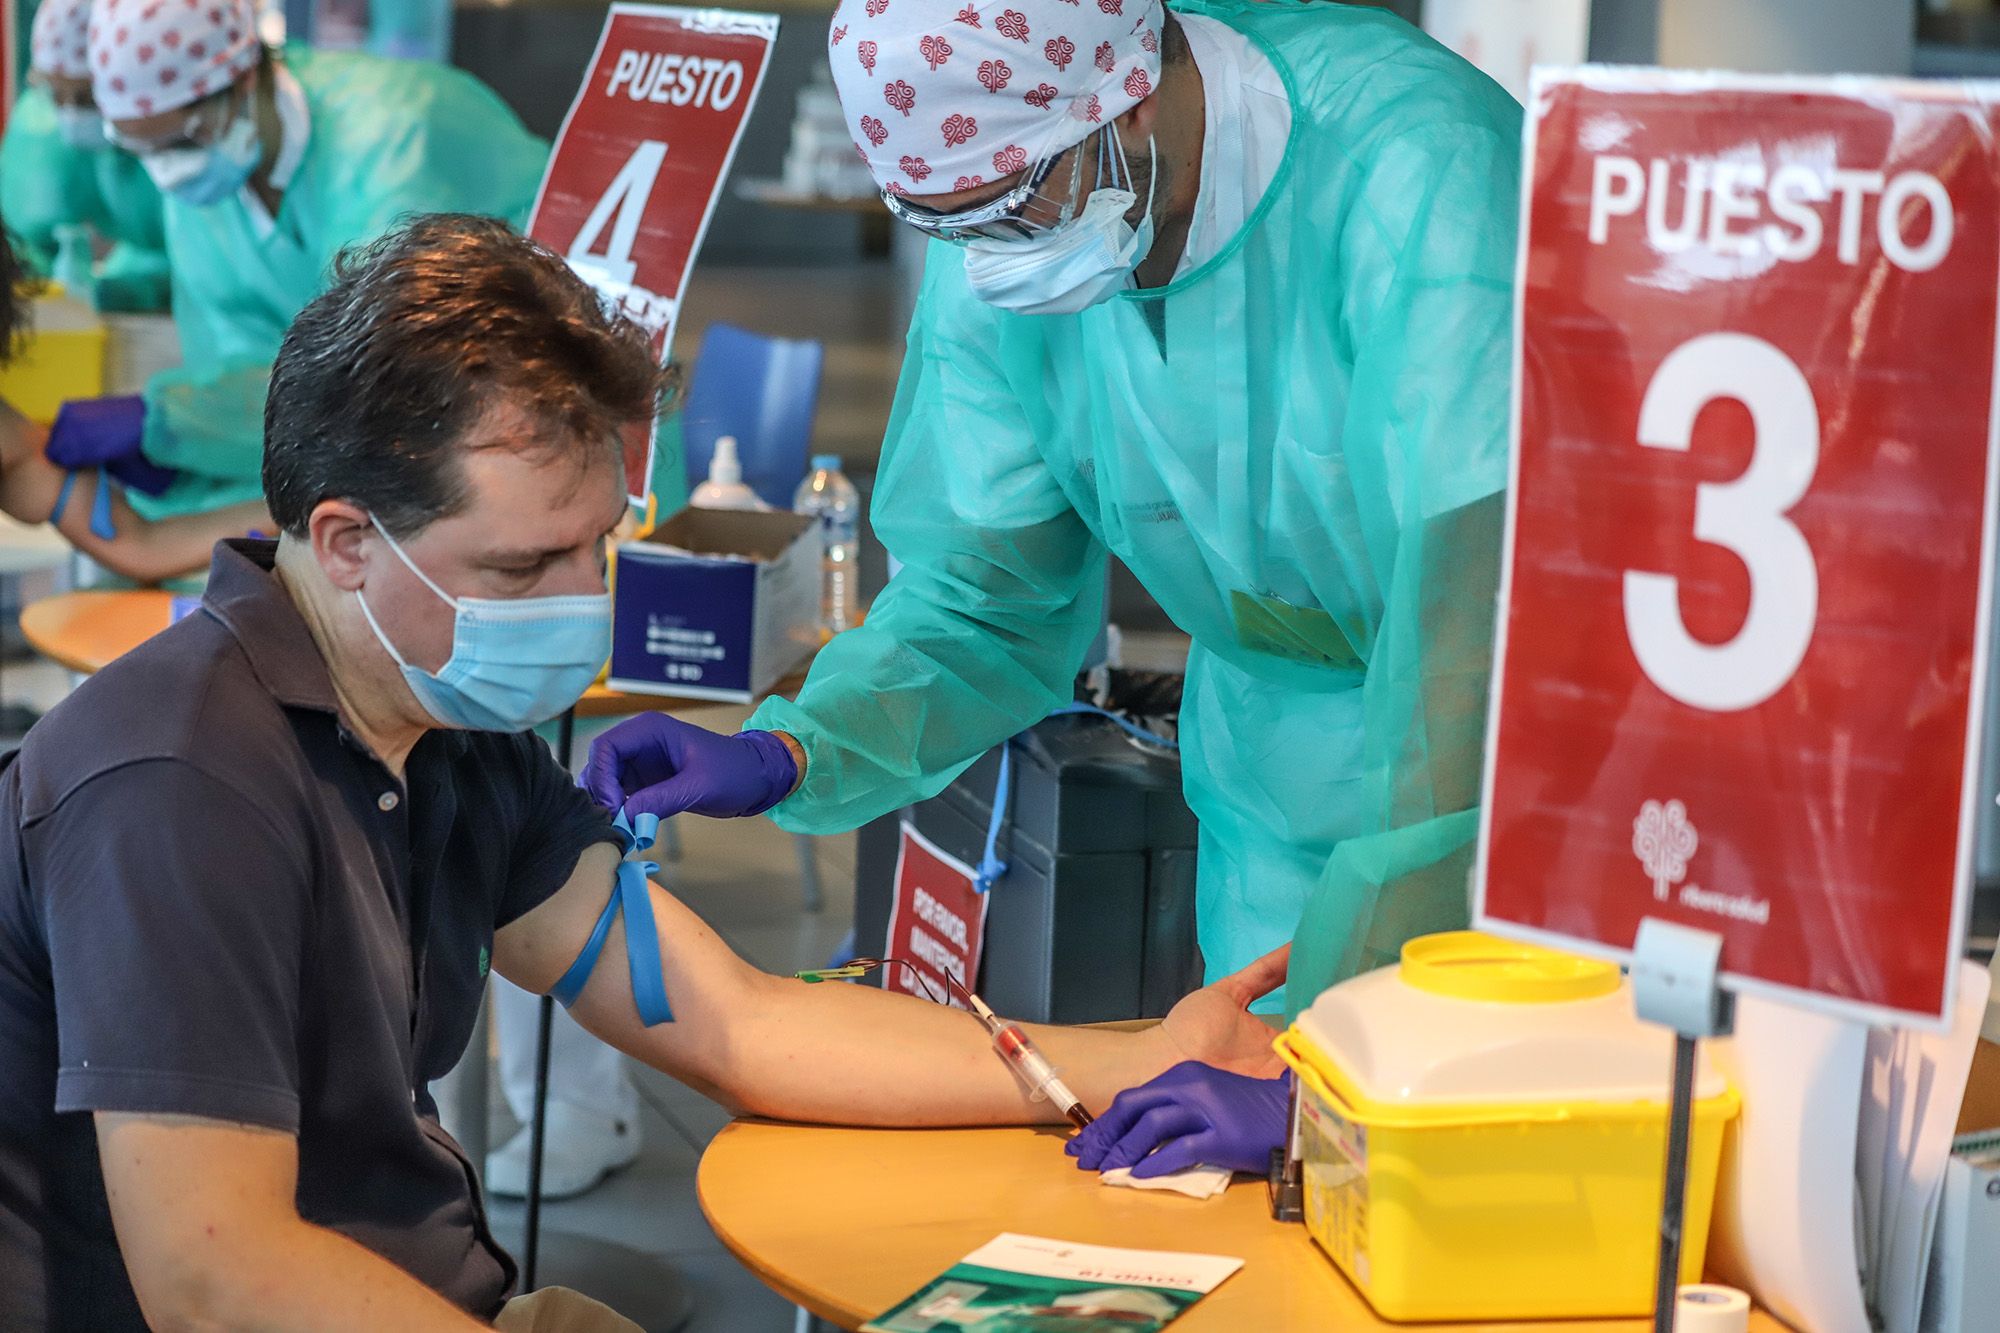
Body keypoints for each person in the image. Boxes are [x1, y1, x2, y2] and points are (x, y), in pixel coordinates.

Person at [0, 213, 1288, 1331]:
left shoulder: (438, 731)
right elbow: (218, 1283)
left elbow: (737, 1020)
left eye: (595, 547)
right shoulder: (178, 787)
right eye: (519, 569)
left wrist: (1138, 1059)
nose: (580, 606)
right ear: (343, 539)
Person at [587, 0, 1518, 1181]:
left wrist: (1332, 1091)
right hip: (1267, 786)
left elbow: (1479, 654)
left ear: (1125, 90)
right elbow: (986, 595)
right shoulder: (1007, 234)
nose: (997, 258)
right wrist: (799, 749)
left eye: (1017, 200)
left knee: (1457, 1180)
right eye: (947, 223)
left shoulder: (1420, 181)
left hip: (1477, 807)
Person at [81, 0, 548, 519]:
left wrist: (172, 419)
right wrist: (193, 449)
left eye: (183, 141)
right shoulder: (209, 182)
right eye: (143, 150)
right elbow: (250, 372)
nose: (168, 173)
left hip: (520, 421)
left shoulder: (392, 136)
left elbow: (376, 375)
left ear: (242, 80)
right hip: (374, 449)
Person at [0, 0, 172, 312]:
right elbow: (22, 249)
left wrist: (137, 286)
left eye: (87, 96)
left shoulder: (176, 131)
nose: (71, 115)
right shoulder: (38, 133)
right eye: (55, 94)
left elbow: (205, 259)